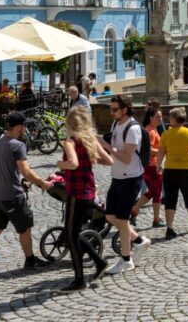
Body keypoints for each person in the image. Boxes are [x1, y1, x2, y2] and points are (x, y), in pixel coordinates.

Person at [0, 112, 52, 279]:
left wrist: (21, 180)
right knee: (24, 228)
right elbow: (25, 170)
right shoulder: (17, 145)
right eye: (24, 126)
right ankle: (30, 260)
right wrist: (41, 182)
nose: (25, 128)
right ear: (18, 127)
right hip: (12, 196)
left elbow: (7, 168)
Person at [56, 106, 112, 291]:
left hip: (76, 193)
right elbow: (109, 161)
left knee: (71, 237)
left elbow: (73, 163)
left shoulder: (70, 142)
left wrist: (60, 164)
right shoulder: (90, 141)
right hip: (89, 192)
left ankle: (79, 279)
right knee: (74, 233)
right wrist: (93, 158)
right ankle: (99, 262)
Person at [99, 95, 151, 275]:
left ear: (125, 109)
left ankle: (126, 260)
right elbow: (114, 154)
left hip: (130, 179)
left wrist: (104, 144)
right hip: (117, 177)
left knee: (122, 220)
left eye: (114, 109)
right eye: (110, 109)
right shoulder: (116, 125)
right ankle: (138, 241)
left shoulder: (133, 128)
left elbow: (126, 157)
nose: (111, 112)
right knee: (110, 216)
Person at [157, 107, 188, 240]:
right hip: (186, 170)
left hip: (170, 171)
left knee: (170, 200)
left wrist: (158, 165)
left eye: (170, 118)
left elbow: (161, 152)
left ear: (173, 119)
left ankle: (169, 229)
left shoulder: (166, 134)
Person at [130, 107, 165, 228]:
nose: (160, 119)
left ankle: (134, 210)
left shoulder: (150, 129)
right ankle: (156, 220)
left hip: (147, 166)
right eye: (157, 117)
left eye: (161, 117)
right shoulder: (150, 131)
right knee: (157, 193)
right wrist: (162, 151)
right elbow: (148, 150)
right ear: (151, 118)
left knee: (152, 191)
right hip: (152, 166)